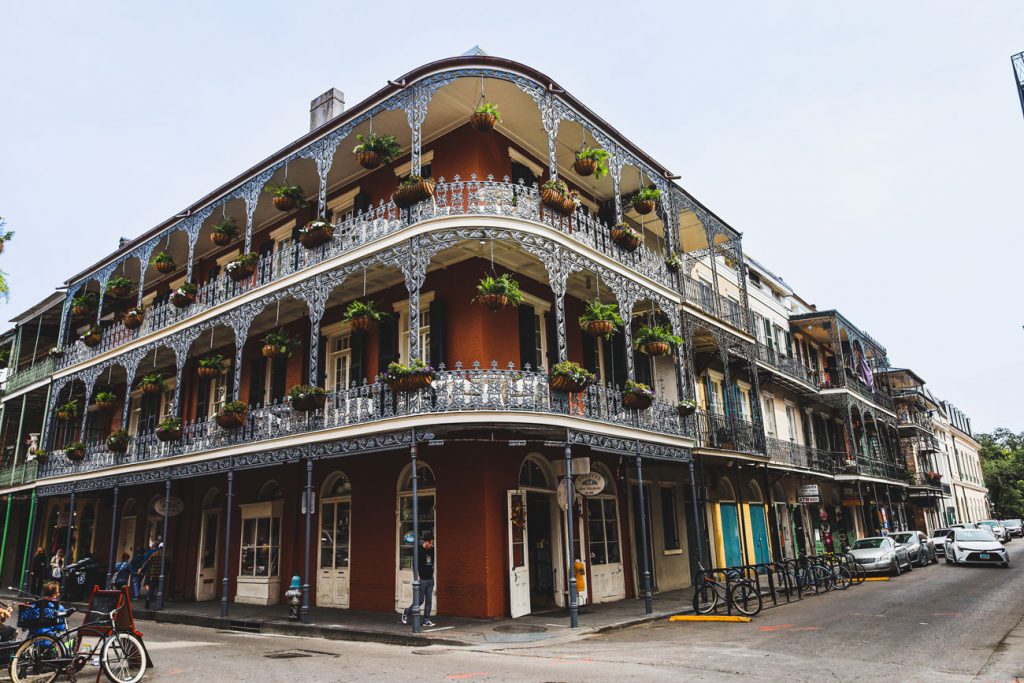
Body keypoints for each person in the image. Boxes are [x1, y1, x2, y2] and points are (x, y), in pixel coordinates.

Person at [401, 532, 435, 627]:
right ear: (426, 542)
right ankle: (406, 612)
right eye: (430, 543)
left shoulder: (431, 550)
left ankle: (426, 620)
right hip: (422, 579)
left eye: (432, 543)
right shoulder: (419, 551)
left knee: (429, 600)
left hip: (430, 579)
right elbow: (415, 565)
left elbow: (431, 562)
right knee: (420, 601)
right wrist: (417, 577)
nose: (431, 544)